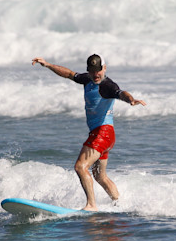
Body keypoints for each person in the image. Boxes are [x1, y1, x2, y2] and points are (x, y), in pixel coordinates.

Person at [32, 54, 146, 211]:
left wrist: (131, 100)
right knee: (100, 176)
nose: (96, 74)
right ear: (88, 70)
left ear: (104, 68)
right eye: (92, 71)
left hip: (103, 133)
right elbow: (69, 74)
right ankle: (120, 204)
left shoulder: (107, 86)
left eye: (98, 71)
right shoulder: (87, 79)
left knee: (80, 167)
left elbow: (121, 93)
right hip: (105, 135)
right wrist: (48, 64)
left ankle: (91, 205)